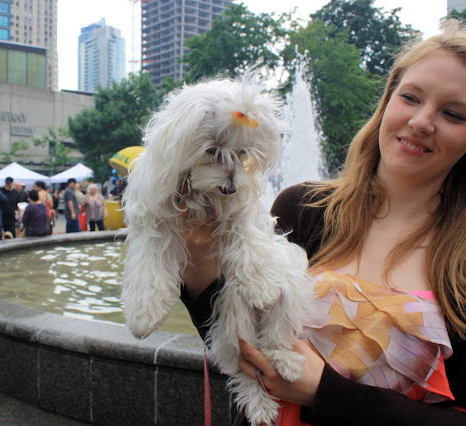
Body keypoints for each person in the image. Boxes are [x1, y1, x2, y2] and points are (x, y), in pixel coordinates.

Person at [180, 21, 466, 424]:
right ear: (387, 101)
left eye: (453, 113)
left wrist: (325, 391)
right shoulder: (303, 208)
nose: (422, 121)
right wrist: (196, 262)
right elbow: (235, 334)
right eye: (411, 97)